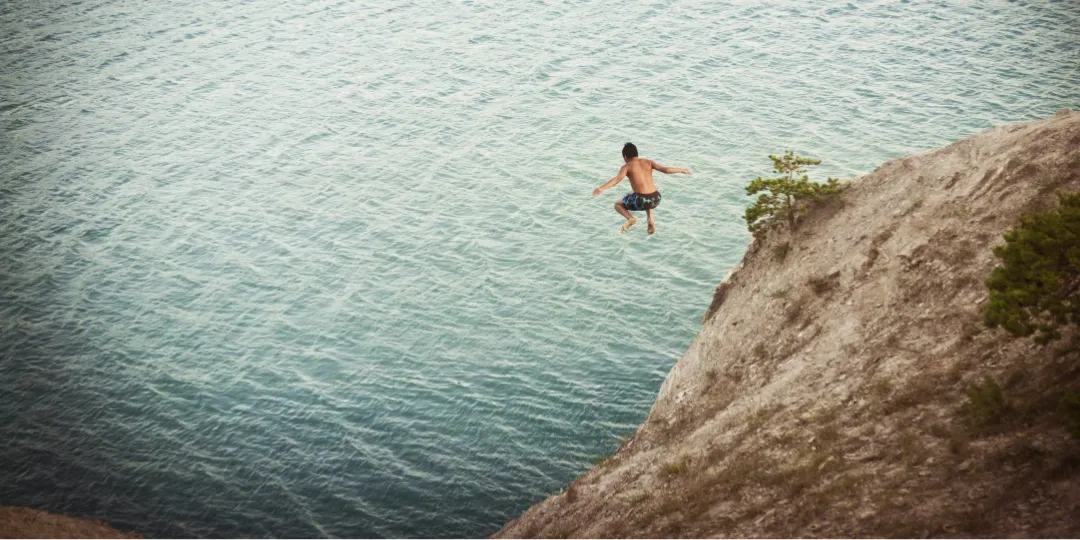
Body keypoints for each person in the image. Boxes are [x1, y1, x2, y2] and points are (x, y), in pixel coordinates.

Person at [592, 142, 692, 235]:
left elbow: (616, 180)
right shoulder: (648, 162)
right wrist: (682, 170)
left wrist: (600, 189)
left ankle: (630, 219)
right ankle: (650, 219)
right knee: (639, 194)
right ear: (636, 154)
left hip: (642, 200)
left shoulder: (626, 167)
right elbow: (665, 170)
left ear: (625, 156)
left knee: (617, 204)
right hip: (656, 198)